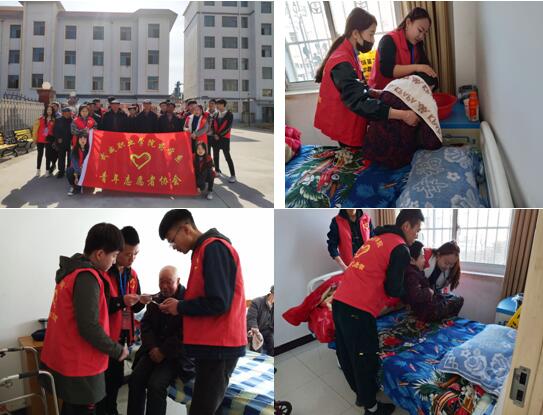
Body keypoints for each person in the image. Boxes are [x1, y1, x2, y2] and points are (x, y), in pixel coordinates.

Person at [332, 209, 424, 415]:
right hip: (357, 309)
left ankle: (363, 396)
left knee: (348, 355)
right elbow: (393, 289)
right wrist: (409, 294)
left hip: (340, 302)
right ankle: (371, 408)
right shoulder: (400, 248)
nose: (417, 235)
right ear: (406, 226)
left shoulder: (376, 239)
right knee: (365, 359)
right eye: (417, 230)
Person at [158, 209, 247, 415]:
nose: (174, 247)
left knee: (201, 409)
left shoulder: (214, 248)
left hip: (220, 345)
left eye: (172, 241)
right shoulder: (200, 252)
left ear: (186, 229)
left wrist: (180, 307)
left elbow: (219, 302)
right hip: (210, 344)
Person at [40, 223, 129, 415]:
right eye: (114, 255)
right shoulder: (87, 278)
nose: (115, 261)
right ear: (100, 254)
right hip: (79, 364)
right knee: (82, 409)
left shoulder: (71, 272)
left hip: (63, 358)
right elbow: (89, 326)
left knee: (71, 408)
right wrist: (117, 350)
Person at [314, 8, 420, 148]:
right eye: (371, 34)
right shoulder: (341, 62)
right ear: (356, 33)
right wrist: (403, 115)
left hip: (350, 117)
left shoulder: (351, 54)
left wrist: (376, 92)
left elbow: (358, 86)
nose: (373, 40)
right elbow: (359, 101)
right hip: (344, 122)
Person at [127, 266, 196, 415]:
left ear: (178, 281)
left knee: (156, 385)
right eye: (161, 282)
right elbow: (146, 325)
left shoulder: (188, 302)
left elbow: (186, 334)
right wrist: (153, 348)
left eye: (169, 282)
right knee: (135, 378)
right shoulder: (156, 299)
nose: (164, 286)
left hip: (175, 355)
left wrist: (163, 352)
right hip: (153, 350)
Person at [96, 226, 149, 415]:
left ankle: (111, 410)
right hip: (104, 338)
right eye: (128, 254)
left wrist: (141, 301)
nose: (132, 258)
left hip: (123, 338)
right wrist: (122, 301)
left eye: (136, 254)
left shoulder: (132, 274)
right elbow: (99, 307)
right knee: (102, 388)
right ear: (117, 250)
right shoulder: (102, 273)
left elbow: (135, 308)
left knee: (115, 382)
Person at [362, 72, 442, 169]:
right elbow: (432, 142)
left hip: (372, 147)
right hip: (396, 159)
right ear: (431, 86)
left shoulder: (394, 84)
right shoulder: (426, 100)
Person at [369, 7, 436, 90]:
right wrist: (417, 67)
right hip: (381, 90)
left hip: (401, 89)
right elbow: (387, 70)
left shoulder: (417, 43)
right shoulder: (388, 40)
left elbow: (426, 68)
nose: (422, 37)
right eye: (420, 30)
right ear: (408, 23)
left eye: (425, 33)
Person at [403, 241, 464, 322]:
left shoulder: (419, 271)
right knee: (441, 306)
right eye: (446, 263)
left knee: (457, 300)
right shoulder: (415, 271)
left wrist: (433, 293)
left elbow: (432, 288)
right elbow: (415, 294)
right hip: (423, 302)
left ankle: (445, 318)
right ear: (438, 255)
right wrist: (429, 292)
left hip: (430, 296)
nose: (448, 267)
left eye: (451, 265)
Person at [212, 99, 236, 183]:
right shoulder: (215, 114)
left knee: (227, 157)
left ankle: (233, 175)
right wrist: (214, 134)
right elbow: (212, 126)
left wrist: (219, 135)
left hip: (224, 138)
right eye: (216, 104)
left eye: (218, 104)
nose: (217, 106)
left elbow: (228, 128)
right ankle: (217, 171)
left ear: (223, 105)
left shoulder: (229, 115)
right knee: (215, 156)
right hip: (215, 138)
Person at [247, 285, 274, 356]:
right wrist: (255, 329)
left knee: (272, 346)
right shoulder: (256, 302)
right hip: (257, 330)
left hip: (268, 330)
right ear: (271, 293)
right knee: (256, 350)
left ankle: (270, 361)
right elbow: (251, 318)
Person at [33, 104, 57, 177]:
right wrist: (35, 139)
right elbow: (35, 130)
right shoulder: (40, 119)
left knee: (48, 155)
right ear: (45, 110)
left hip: (49, 140)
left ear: (52, 111)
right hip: (40, 139)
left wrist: (54, 138)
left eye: (50, 110)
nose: (49, 111)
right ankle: (38, 170)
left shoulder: (54, 120)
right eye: (48, 110)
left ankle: (47, 170)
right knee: (39, 155)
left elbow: (55, 130)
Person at [53, 107, 74, 179]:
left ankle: (69, 171)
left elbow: (74, 131)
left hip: (70, 141)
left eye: (69, 113)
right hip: (61, 141)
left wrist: (73, 140)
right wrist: (58, 138)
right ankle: (61, 171)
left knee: (70, 157)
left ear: (70, 113)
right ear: (63, 113)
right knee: (61, 157)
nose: (67, 114)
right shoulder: (58, 120)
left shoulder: (73, 120)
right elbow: (55, 130)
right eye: (65, 113)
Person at [67, 132, 89, 196]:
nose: (83, 140)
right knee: (69, 170)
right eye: (81, 138)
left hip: (86, 170)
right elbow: (75, 163)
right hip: (77, 170)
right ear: (78, 140)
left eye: (84, 138)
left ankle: (83, 184)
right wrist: (78, 174)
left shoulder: (89, 150)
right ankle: (74, 185)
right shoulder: (74, 150)